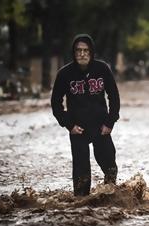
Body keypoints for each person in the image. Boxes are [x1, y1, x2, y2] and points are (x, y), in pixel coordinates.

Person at [51, 34, 120, 196]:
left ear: (91, 52)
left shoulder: (102, 69)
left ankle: (109, 198)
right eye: (78, 51)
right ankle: (81, 207)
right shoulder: (64, 74)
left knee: (110, 166)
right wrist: (68, 125)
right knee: (81, 177)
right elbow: (55, 103)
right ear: (73, 53)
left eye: (86, 50)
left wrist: (110, 123)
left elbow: (114, 97)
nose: (82, 54)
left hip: (101, 127)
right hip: (78, 129)